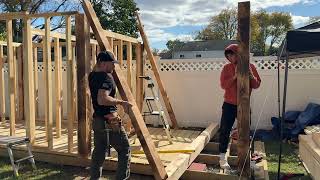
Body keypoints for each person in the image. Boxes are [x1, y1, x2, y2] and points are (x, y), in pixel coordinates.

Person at [88, 51, 132, 180]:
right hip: (110, 120)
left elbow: (98, 99)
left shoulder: (92, 76)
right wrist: (121, 102)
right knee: (124, 149)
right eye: (112, 63)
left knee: (99, 151)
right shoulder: (107, 77)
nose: (114, 66)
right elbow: (102, 99)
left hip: (98, 120)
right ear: (102, 63)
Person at [219, 44, 261, 169]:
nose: (230, 57)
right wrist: (235, 76)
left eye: (232, 54)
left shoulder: (250, 67)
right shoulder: (226, 68)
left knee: (245, 132)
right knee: (225, 130)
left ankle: (248, 159)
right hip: (229, 105)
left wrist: (251, 76)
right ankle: (222, 158)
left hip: (244, 104)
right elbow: (224, 85)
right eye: (228, 55)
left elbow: (256, 84)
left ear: (239, 54)